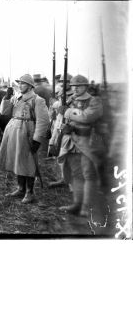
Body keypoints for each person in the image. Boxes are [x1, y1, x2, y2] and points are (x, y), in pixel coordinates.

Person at [0, 74, 50, 204]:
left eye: (23, 83)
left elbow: (43, 121)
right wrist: (7, 97)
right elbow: (3, 112)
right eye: (19, 83)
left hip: (27, 131)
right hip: (13, 131)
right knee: (17, 159)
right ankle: (20, 188)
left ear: (30, 86)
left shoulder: (37, 100)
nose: (20, 85)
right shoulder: (16, 98)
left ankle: (29, 192)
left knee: (28, 161)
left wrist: (37, 139)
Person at [57, 75, 104, 218]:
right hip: (72, 141)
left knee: (88, 175)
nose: (75, 88)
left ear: (86, 86)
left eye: (79, 86)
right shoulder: (72, 99)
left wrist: (67, 112)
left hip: (87, 142)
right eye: (73, 86)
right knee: (76, 174)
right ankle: (77, 204)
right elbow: (67, 116)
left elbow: (86, 117)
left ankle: (86, 207)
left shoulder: (94, 100)